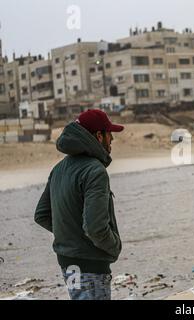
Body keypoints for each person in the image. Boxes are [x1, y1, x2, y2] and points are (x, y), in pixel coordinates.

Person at [34, 109, 124, 300]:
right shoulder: (95, 171)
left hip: (68, 263)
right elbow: (95, 228)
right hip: (90, 265)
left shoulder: (59, 169)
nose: (112, 140)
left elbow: (42, 215)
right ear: (99, 136)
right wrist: (115, 246)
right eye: (110, 134)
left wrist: (70, 236)